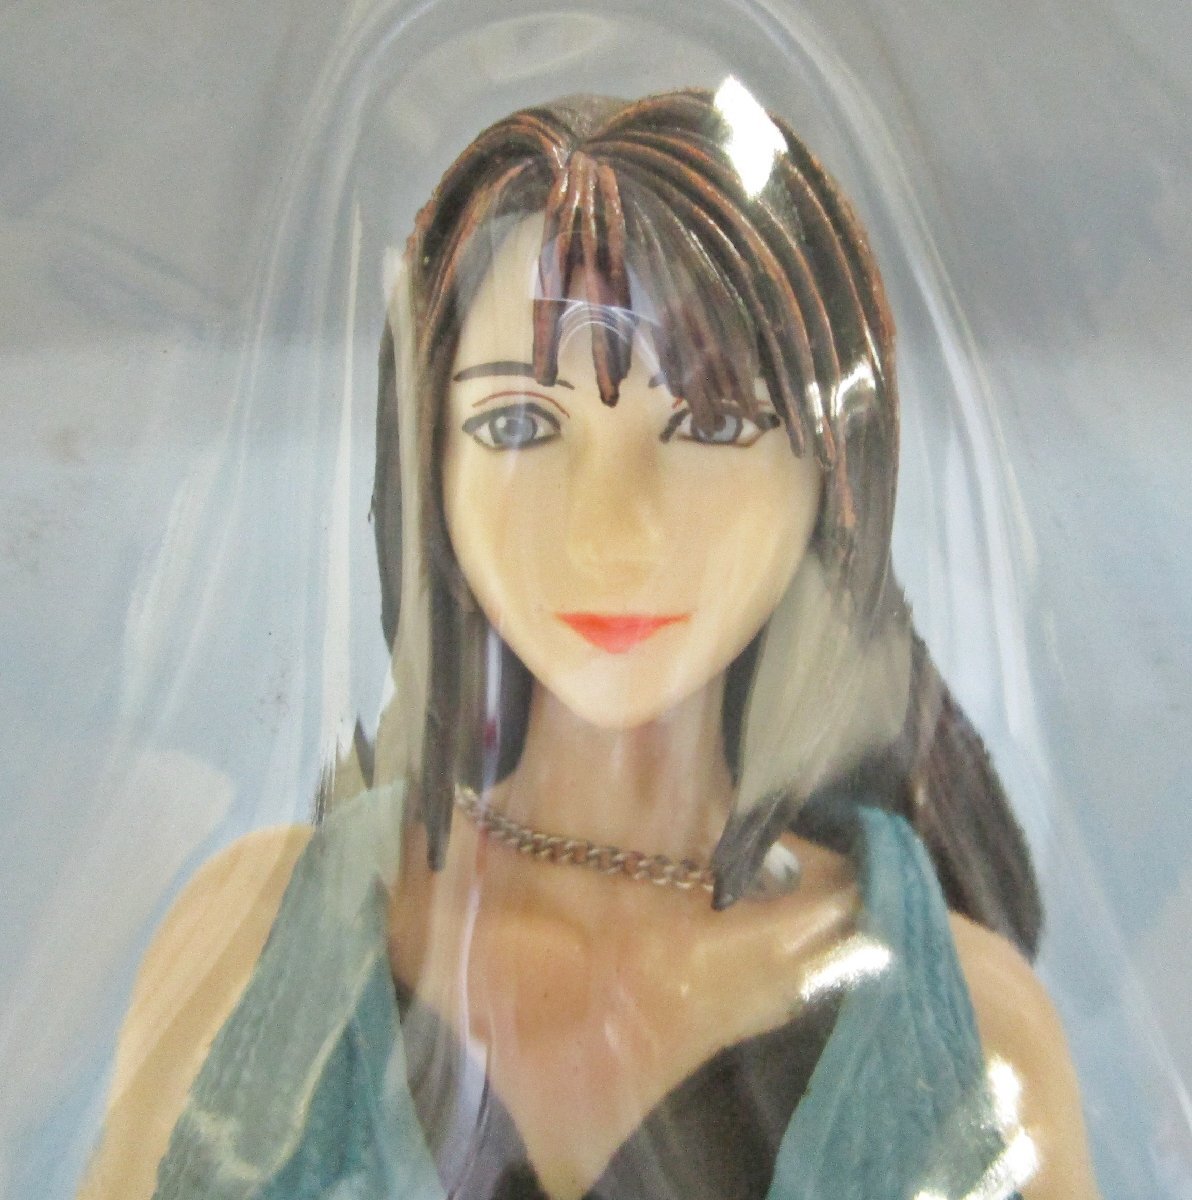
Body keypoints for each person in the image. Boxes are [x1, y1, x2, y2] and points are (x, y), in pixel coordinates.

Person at [79, 88, 1100, 1200]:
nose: (612, 536)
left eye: (712, 423)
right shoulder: (252, 952)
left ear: (831, 470)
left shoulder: (972, 1043)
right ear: (429, 462)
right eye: (518, 423)